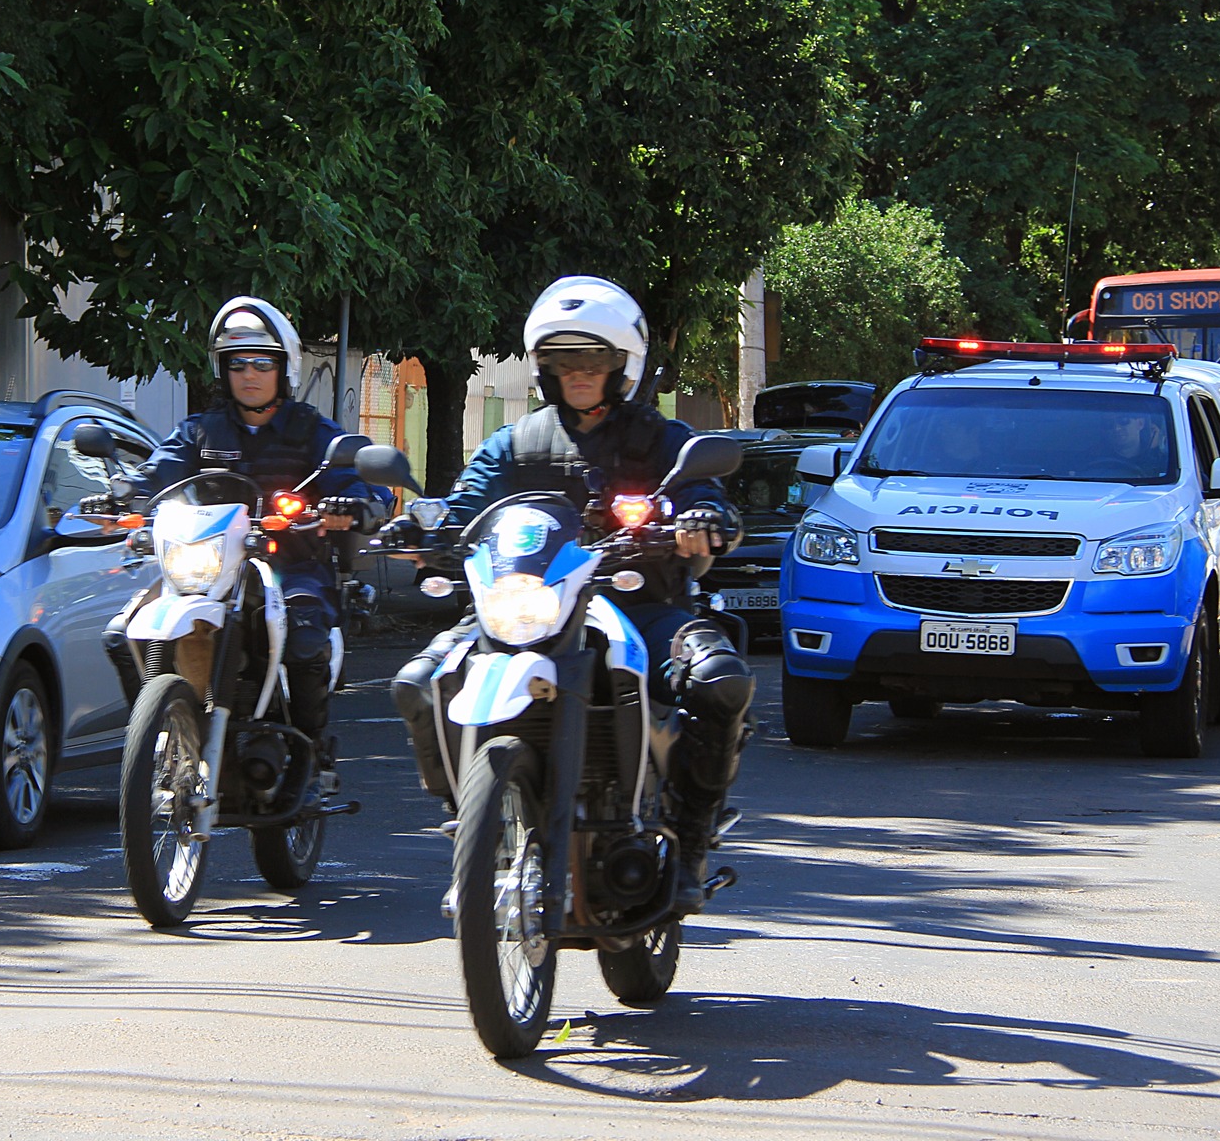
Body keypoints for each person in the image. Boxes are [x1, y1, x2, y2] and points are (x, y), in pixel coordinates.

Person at [380, 276, 753, 915]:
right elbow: (465, 507)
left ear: (622, 365)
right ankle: (470, 813)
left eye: (594, 358)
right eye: (562, 359)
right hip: (527, 608)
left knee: (717, 678)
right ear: (543, 367)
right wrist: (422, 529)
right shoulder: (517, 442)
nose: (578, 372)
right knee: (417, 683)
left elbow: (704, 492)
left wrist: (704, 518)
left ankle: (690, 841)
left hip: (640, 608)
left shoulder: (660, 440)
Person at [94, 296, 388, 762]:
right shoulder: (200, 431)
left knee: (305, 637)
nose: (249, 374)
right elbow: (157, 473)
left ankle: (310, 752)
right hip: (207, 569)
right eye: (237, 364)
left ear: (283, 368)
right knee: (122, 633)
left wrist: (356, 503)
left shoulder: (312, 431)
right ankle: (167, 736)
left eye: (261, 363)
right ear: (223, 370)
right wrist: (122, 492)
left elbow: (359, 481)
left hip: (291, 565)